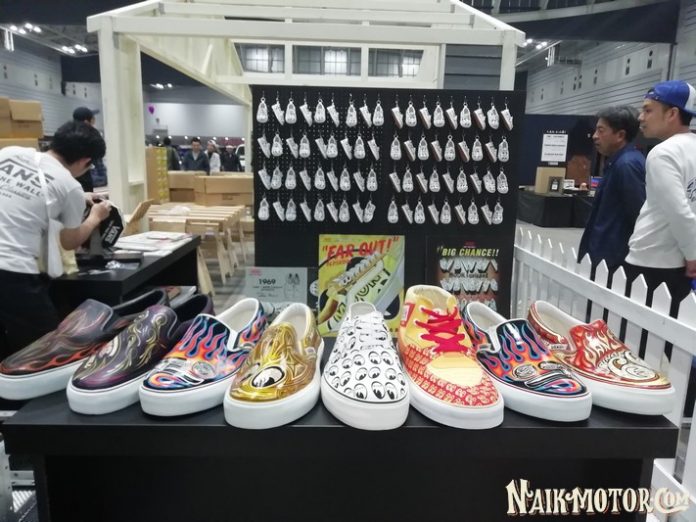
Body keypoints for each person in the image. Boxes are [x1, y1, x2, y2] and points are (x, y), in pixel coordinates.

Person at [0, 121, 112, 357]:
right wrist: (95, 217)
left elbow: (29, 195)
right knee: (43, 350)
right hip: (13, 271)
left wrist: (78, 196)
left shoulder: (9, 153)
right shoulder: (69, 186)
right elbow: (69, 242)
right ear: (85, 161)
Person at [625, 80, 696, 310]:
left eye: (648, 110)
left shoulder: (663, 153)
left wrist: (692, 254)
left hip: (652, 259)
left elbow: (679, 211)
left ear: (672, 113)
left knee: (637, 329)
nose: (641, 117)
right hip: (679, 260)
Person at [578, 106, 645, 273]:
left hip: (614, 261)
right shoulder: (618, 162)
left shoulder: (627, 166)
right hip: (605, 255)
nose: (595, 136)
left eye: (601, 131)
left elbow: (639, 216)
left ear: (620, 135)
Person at [72, 106, 108, 188]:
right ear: (86, 122)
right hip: (90, 181)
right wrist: (103, 179)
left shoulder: (69, 135)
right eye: (93, 118)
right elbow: (98, 165)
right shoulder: (91, 137)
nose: (94, 120)